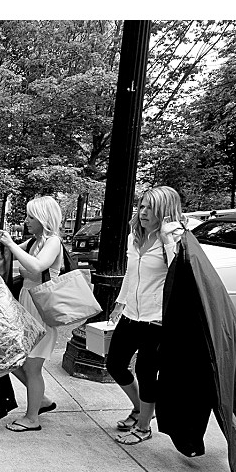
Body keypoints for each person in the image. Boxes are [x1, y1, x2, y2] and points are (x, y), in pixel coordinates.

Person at [106, 186, 184, 445]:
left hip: (157, 319)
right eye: (142, 206)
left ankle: (143, 428)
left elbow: (180, 274)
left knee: (146, 371)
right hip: (131, 315)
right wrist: (119, 303)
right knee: (115, 364)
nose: (143, 212)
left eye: (151, 207)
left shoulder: (174, 239)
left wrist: (168, 238)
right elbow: (131, 274)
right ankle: (140, 410)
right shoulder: (135, 237)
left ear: (165, 211)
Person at [0, 196, 63, 433]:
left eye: (30, 216)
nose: (26, 221)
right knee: (12, 359)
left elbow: (36, 267)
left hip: (41, 312)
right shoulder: (35, 242)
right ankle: (40, 400)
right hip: (26, 309)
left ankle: (32, 418)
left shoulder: (53, 242)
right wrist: (1, 243)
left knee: (32, 367)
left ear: (44, 218)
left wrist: (11, 244)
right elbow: (9, 253)